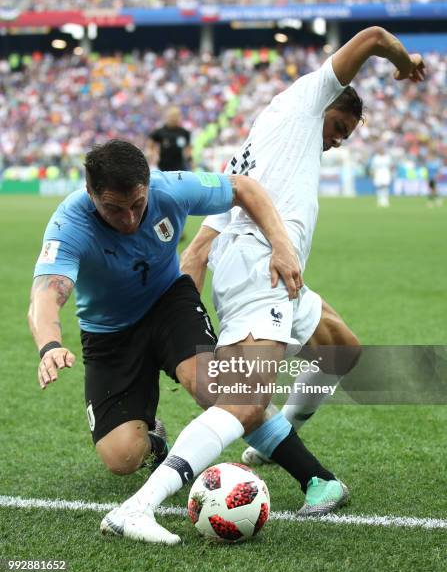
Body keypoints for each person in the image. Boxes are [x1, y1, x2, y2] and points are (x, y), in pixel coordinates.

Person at [30, 139, 337, 544]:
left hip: (168, 305)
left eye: (137, 205)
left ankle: (317, 477)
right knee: (121, 457)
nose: (128, 219)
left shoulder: (169, 188)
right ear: (90, 194)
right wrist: (50, 345)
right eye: (113, 209)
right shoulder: (69, 223)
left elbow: (244, 187)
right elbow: (46, 296)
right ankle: (155, 439)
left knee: (218, 389)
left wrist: (282, 244)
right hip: (109, 335)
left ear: (147, 186)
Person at [180, 27, 425, 471]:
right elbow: (372, 37)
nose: (336, 141)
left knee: (342, 350)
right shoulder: (306, 99)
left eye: (345, 137)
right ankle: (154, 491)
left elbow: (199, 247)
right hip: (259, 270)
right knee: (240, 395)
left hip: (276, 270)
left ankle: (273, 441)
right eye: (338, 128)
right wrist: (404, 64)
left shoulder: (261, 144)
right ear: (326, 103)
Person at [149, 106, 192, 171]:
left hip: (180, 167)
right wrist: (153, 155)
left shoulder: (184, 133)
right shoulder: (160, 132)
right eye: (172, 116)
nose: (174, 118)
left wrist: (190, 160)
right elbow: (150, 145)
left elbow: (188, 149)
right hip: (162, 167)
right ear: (167, 117)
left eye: (176, 116)